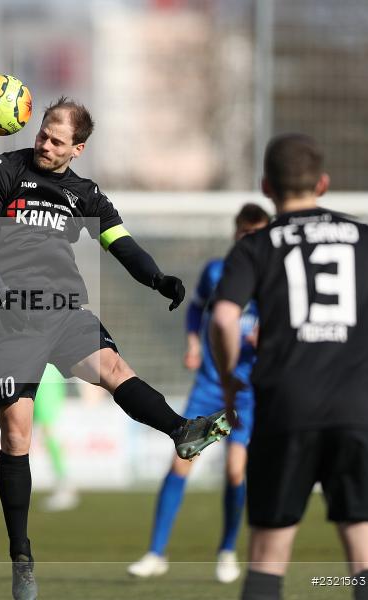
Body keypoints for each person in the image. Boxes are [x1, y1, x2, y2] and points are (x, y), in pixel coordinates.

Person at [0, 96, 233, 600]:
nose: (45, 144)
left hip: (64, 310)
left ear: (77, 149)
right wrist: (1, 295)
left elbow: (120, 243)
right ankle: (21, 554)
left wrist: (156, 278)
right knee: (17, 436)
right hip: (8, 317)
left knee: (112, 367)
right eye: (43, 134)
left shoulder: (84, 193)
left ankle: (181, 430)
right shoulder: (3, 168)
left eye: (56, 140)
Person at [210, 133, 368, 600]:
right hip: (362, 410)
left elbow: (224, 318)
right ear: (323, 183)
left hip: (287, 407)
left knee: (267, 558)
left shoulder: (256, 246)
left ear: (267, 186)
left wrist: (230, 386)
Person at [129, 203, 270, 583]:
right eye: (244, 233)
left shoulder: (274, 280)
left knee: (236, 470)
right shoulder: (216, 272)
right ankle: (156, 553)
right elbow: (196, 310)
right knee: (181, 461)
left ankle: (226, 551)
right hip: (209, 387)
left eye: (256, 234)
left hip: (245, 393)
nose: (248, 240)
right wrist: (193, 341)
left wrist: (268, 338)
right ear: (235, 233)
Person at [34, 364, 78, 512]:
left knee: (49, 430)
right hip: (32, 372)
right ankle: (63, 484)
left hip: (45, 374)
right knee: (41, 432)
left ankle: (65, 486)